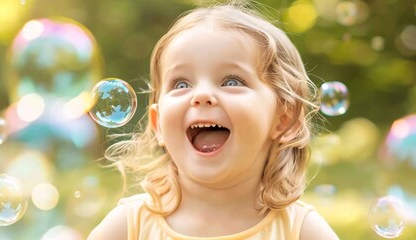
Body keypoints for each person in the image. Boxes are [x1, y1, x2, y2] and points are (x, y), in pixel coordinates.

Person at [88, 2, 339, 239]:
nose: (202, 95)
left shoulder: (301, 231)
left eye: (232, 81)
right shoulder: (128, 227)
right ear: (159, 124)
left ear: (283, 119)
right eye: (181, 83)